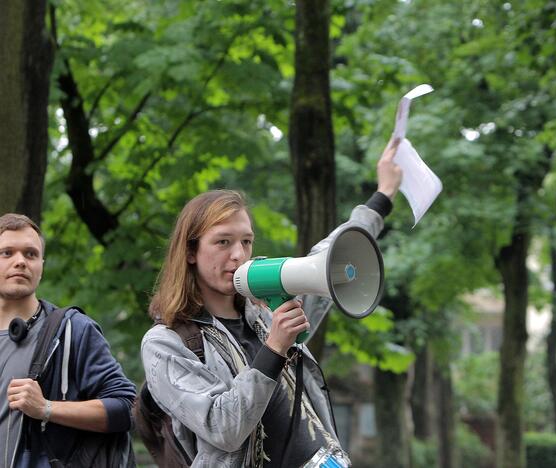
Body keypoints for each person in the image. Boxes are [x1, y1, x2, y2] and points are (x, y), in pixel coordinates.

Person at [140, 138, 403, 467]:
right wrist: (274, 348)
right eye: (223, 241)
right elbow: (223, 427)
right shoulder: (166, 343)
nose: (238, 254)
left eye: (246, 241)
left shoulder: (266, 309)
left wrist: (383, 196)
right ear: (190, 252)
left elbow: (328, 258)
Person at [0, 213, 136, 467]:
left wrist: (46, 408)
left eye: (30, 254)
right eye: (7, 253)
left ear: (41, 265)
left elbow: (127, 408)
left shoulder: (72, 330)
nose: (20, 262)